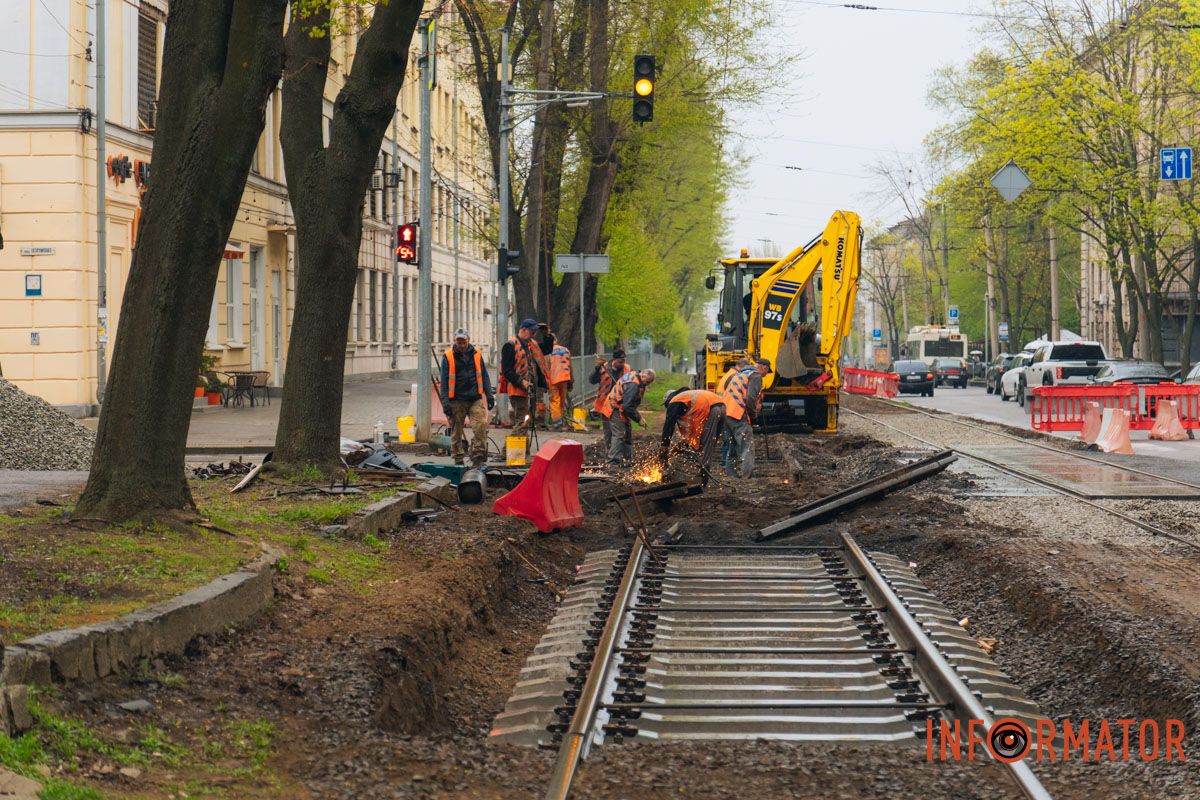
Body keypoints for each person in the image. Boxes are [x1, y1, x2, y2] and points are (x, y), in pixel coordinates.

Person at [439, 328, 494, 467]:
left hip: (475, 398)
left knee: (480, 426)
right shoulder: (448, 356)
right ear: (454, 341)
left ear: (468, 341)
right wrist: (445, 402)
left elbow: (484, 375)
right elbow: (444, 382)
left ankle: (478, 457)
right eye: (459, 342)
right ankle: (458, 459)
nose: (462, 345)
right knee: (456, 431)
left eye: (464, 342)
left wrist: (489, 395)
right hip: (456, 400)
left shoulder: (476, 354)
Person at [659, 388, 726, 477]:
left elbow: (668, 425)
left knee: (704, 445)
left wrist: (664, 447)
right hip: (722, 407)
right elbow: (691, 431)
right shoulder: (688, 399)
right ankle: (702, 473)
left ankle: (702, 476)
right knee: (709, 444)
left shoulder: (674, 401)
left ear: (668, 400)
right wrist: (681, 446)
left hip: (711, 409)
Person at [720, 358, 770, 477]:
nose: (766, 375)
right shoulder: (756, 376)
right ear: (764, 368)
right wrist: (753, 415)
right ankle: (747, 474)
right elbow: (750, 398)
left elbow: (728, 386)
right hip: (737, 412)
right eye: (767, 372)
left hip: (725, 411)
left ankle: (730, 473)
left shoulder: (741, 374)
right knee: (747, 445)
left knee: (732, 443)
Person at [500, 318, 549, 438]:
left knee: (525, 422)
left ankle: (523, 450)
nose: (534, 334)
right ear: (523, 330)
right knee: (522, 421)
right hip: (517, 389)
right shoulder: (510, 346)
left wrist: (546, 335)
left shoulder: (530, 345)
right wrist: (522, 382)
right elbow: (507, 371)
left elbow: (548, 349)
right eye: (532, 332)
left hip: (529, 390)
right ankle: (508, 450)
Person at [599, 368, 656, 467]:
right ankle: (612, 462)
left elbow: (628, 405)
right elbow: (627, 406)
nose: (647, 385)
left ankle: (627, 460)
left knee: (627, 434)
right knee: (619, 434)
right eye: (647, 382)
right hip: (615, 408)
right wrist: (638, 419)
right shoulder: (633, 385)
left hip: (622, 408)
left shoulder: (635, 376)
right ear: (643, 376)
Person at [589, 348, 632, 451]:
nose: (622, 364)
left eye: (624, 361)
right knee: (608, 432)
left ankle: (624, 455)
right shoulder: (603, 368)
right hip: (605, 405)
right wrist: (596, 369)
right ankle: (610, 455)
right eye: (620, 361)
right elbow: (592, 380)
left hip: (621, 405)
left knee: (625, 432)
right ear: (614, 360)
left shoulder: (627, 369)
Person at [546, 337, 573, 428]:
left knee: (554, 401)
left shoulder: (548, 351)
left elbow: (546, 367)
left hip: (553, 379)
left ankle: (557, 423)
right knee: (562, 401)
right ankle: (561, 420)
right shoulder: (566, 350)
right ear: (556, 340)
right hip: (565, 378)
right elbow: (570, 366)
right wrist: (571, 380)